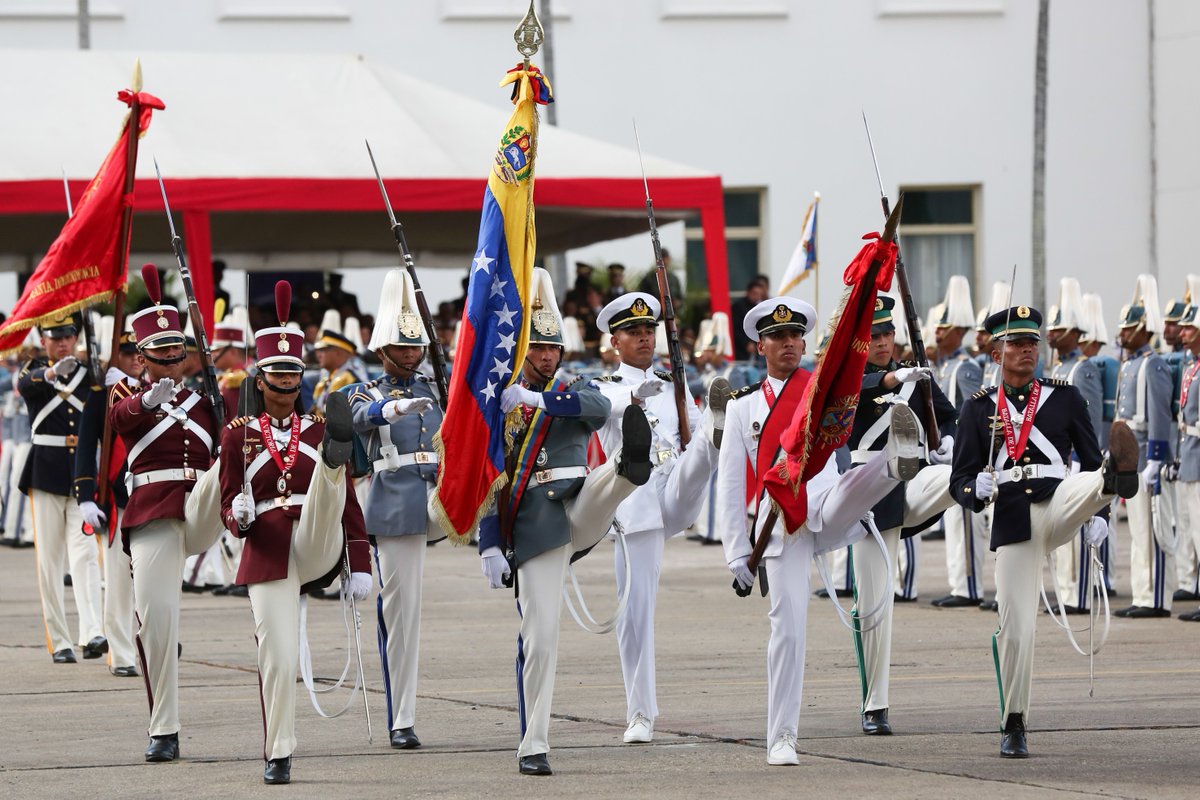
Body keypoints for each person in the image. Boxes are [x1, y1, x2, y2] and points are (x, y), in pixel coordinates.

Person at [717, 294, 923, 766]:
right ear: (760, 346)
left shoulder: (823, 388)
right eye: (777, 337)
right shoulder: (741, 407)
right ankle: (782, 737)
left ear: (805, 343)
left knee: (851, 488)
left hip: (828, 503)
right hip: (780, 523)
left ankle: (895, 463)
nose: (788, 344)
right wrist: (735, 551)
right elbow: (731, 484)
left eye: (794, 337)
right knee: (787, 630)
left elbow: (861, 385)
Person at [477, 268, 654, 775]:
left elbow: (599, 409)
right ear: (521, 351)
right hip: (536, 523)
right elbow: (487, 476)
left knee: (610, 478)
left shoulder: (573, 386)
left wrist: (539, 399)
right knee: (543, 636)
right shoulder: (500, 402)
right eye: (538, 348)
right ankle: (534, 742)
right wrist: (490, 543)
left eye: (554, 347)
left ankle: (628, 468)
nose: (548, 356)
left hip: (581, 500)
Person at [949, 304, 1138, 758]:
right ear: (996, 353)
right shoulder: (978, 409)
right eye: (1016, 343)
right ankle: (1014, 721)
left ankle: (1113, 484)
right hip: (1012, 514)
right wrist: (978, 486)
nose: (1027, 350)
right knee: (1016, 628)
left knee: (1090, 481)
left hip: (1060, 499)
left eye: (1033, 342)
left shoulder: (1065, 396)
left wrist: (1100, 514)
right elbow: (959, 480)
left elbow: (1087, 456)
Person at [219, 281, 370, 785]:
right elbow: (226, 505)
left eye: (292, 372)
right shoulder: (236, 435)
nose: (286, 381)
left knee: (331, 485)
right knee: (278, 657)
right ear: (260, 379)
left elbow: (351, 503)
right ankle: (279, 750)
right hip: (266, 545)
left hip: (317, 540)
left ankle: (334, 462)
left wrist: (361, 561)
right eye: (277, 373)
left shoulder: (320, 425)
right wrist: (236, 514)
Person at [593, 291, 731, 744]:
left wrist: (694, 413)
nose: (644, 338)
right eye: (633, 332)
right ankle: (640, 712)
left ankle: (720, 421)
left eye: (649, 330)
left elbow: (683, 428)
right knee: (635, 612)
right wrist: (633, 397)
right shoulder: (605, 386)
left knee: (703, 450)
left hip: (677, 487)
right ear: (615, 340)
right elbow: (600, 415)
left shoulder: (675, 383)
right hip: (637, 502)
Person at [109, 264, 225, 763]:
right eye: (161, 356)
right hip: (155, 510)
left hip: (202, 506)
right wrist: (147, 400)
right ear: (141, 358)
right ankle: (165, 729)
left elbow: (226, 449)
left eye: (178, 355)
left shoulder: (206, 403)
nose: (172, 364)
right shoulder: (126, 396)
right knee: (156, 620)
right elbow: (121, 421)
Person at [848, 296, 958, 735]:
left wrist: (948, 440)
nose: (879, 341)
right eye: (872, 335)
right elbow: (857, 389)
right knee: (875, 605)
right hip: (868, 495)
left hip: (914, 480)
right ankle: (875, 705)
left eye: (885, 333)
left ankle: (972, 485)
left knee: (955, 476)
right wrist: (894, 378)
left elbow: (951, 418)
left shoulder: (918, 377)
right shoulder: (849, 376)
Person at [348, 269, 443, 751]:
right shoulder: (366, 388)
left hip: (440, 500)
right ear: (383, 351)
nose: (411, 356)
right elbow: (348, 415)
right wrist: (386, 410)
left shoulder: (435, 384)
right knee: (403, 614)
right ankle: (401, 716)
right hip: (398, 502)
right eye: (402, 349)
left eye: (415, 348)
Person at [18, 311, 106, 664]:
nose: (63, 342)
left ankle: (92, 631)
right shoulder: (35, 371)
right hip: (46, 472)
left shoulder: (90, 374)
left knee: (85, 556)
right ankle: (60, 639)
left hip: (80, 475)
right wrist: (53, 373)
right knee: (49, 561)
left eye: (68, 335)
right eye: (55, 337)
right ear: (44, 341)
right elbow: (26, 385)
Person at [74, 321, 142, 677]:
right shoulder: (101, 394)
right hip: (117, 496)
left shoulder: (153, 390)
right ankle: (122, 652)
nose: (134, 359)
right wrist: (85, 495)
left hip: (151, 494)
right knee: (118, 577)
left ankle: (152, 639)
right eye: (127, 353)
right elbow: (86, 447)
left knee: (151, 580)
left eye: (137, 353)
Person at [1113, 275, 1176, 618]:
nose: (1121, 335)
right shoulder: (1131, 364)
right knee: (1137, 532)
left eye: (1127, 330)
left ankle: (1156, 599)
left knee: (1152, 531)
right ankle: (1142, 594)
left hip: (1145, 457)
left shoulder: (1153, 363)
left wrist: (1155, 458)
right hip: (1129, 458)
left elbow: (1159, 414)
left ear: (1142, 330)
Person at [1045, 279, 1107, 615]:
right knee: (1060, 532)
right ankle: (1067, 592)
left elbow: (1091, 420)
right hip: (1060, 460)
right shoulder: (1059, 367)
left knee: (1082, 525)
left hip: (1077, 459)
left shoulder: (1082, 368)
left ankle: (1080, 595)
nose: (1051, 335)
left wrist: (1089, 462)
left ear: (1075, 332)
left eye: (1059, 329)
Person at [932, 276, 987, 608]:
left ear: (959, 331)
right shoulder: (947, 366)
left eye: (944, 328)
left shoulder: (965, 368)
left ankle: (969, 587)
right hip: (949, 458)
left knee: (966, 523)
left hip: (965, 458)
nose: (938, 334)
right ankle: (959, 584)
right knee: (954, 523)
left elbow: (973, 415)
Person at [1175, 295, 1200, 621]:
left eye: (1189, 328)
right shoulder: (1192, 367)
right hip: (1191, 458)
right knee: (1194, 532)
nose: (1183, 333)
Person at [312, 309, 366, 413]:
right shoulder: (328, 378)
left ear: (337, 353)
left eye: (323, 350)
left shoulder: (349, 380)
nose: (318, 355)